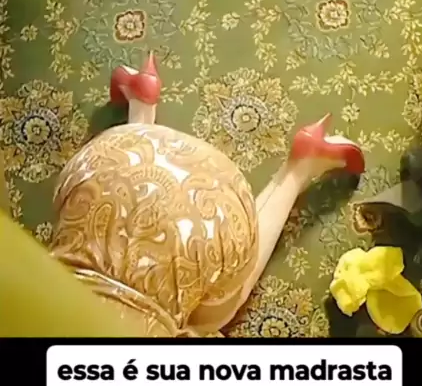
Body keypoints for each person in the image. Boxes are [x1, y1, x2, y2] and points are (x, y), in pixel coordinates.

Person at [47, 53, 365, 338]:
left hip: (213, 204)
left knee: (211, 317)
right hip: (103, 162)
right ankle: (140, 115)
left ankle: (300, 167)